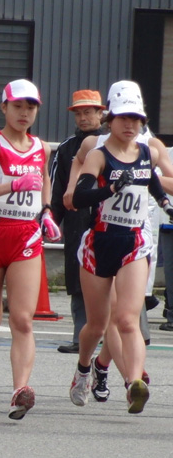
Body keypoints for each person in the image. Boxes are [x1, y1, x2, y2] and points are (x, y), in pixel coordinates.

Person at [70, 81, 171, 414]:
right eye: (124, 118)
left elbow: (153, 184)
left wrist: (166, 203)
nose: (131, 125)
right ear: (109, 119)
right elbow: (80, 197)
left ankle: (133, 384)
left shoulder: (145, 152)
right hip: (100, 242)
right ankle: (86, 368)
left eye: (137, 119)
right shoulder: (99, 154)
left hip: (133, 243)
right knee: (97, 325)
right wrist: (110, 187)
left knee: (128, 320)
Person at [0, 79, 61, 420]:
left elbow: (44, 181)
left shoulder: (42, 147)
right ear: (4, 108)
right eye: (18, 106)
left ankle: (20, 388)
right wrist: (11, 185)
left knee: (22, 319)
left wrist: (46, 211)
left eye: (31, 107)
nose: (24, 113)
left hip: (26, 237)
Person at [50, 90, 105, 354]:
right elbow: (57, 189)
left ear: (101, 114)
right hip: (76, 221)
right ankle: (79, 336)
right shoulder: (66, 148)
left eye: (89, 112)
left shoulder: (112, 142)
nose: (83, 118)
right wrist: (51, 221)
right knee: (77, 278)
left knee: (113, 277)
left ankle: (116, 337)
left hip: (109, 220)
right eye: (79, 113)